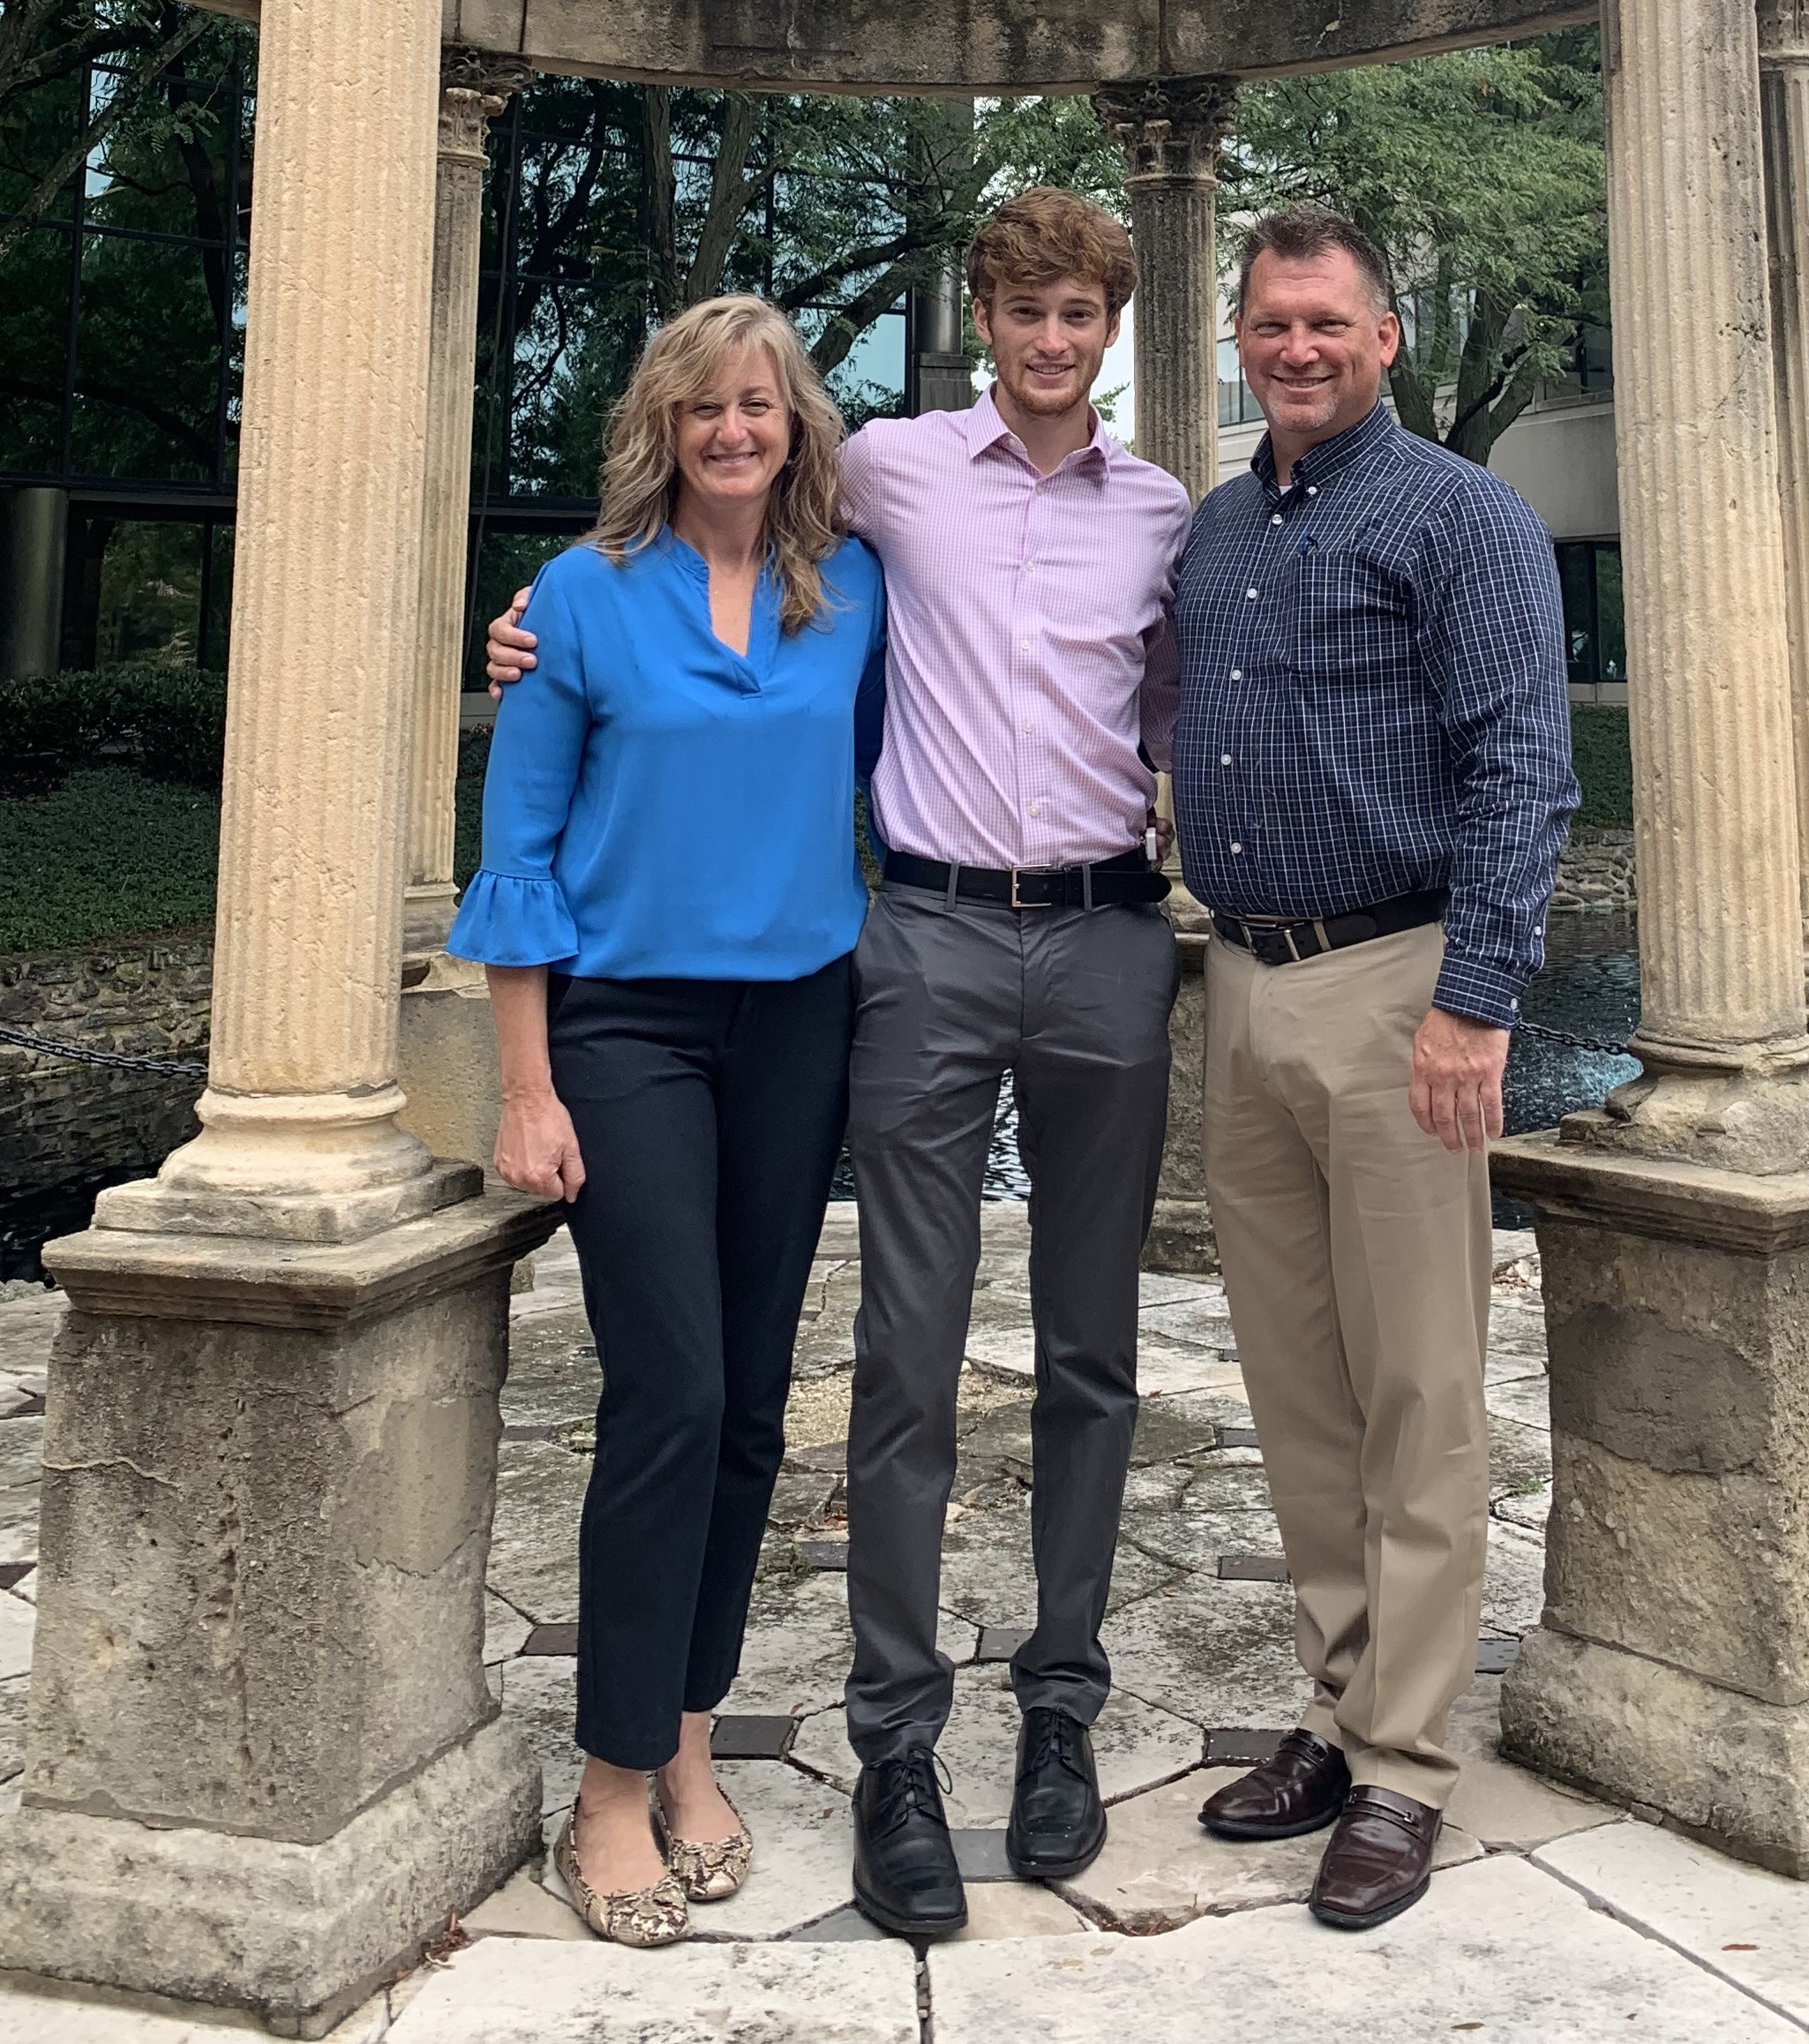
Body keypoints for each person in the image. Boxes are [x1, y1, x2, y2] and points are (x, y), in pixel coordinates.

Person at [486, 190, 1191, 1940]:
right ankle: (749, 1763)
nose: (736, 430)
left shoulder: (962, 557)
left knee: (917, 1383)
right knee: (779, 1378)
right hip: (776, 989)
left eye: (1078, 311)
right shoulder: (778, 521)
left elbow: (1172, 700)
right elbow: (538, 796)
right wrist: (532, 627)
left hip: (951, 972)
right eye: (1021, 307)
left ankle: (918, 1723)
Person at [450, 295, 885, 1948]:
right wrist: (526, 1083)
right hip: (626, 1027)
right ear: (663, 424)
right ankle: (609, 1781)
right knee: (671, 1390)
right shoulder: (575, 598)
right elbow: (522, 846)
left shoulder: (850, 593)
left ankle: (694, 1745)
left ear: (795, 426)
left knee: (756, 1402)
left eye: (759, 405)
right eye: (704, 407)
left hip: (799, 1021)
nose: (733, 430)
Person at [1173, 207, 1579, 1932]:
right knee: (1298, 1387)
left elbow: (1523, 770)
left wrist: (1474, 1009)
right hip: (1244, 989)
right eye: (1271, 323)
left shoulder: (1463, 517)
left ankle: (1406, 1764)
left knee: (1418, 1390)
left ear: (1384, 335)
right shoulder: (1209, 530)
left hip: (1402, 986)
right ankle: (1334, 1712)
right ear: (1242, 338)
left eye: (1326, 321)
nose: (1296, 347)